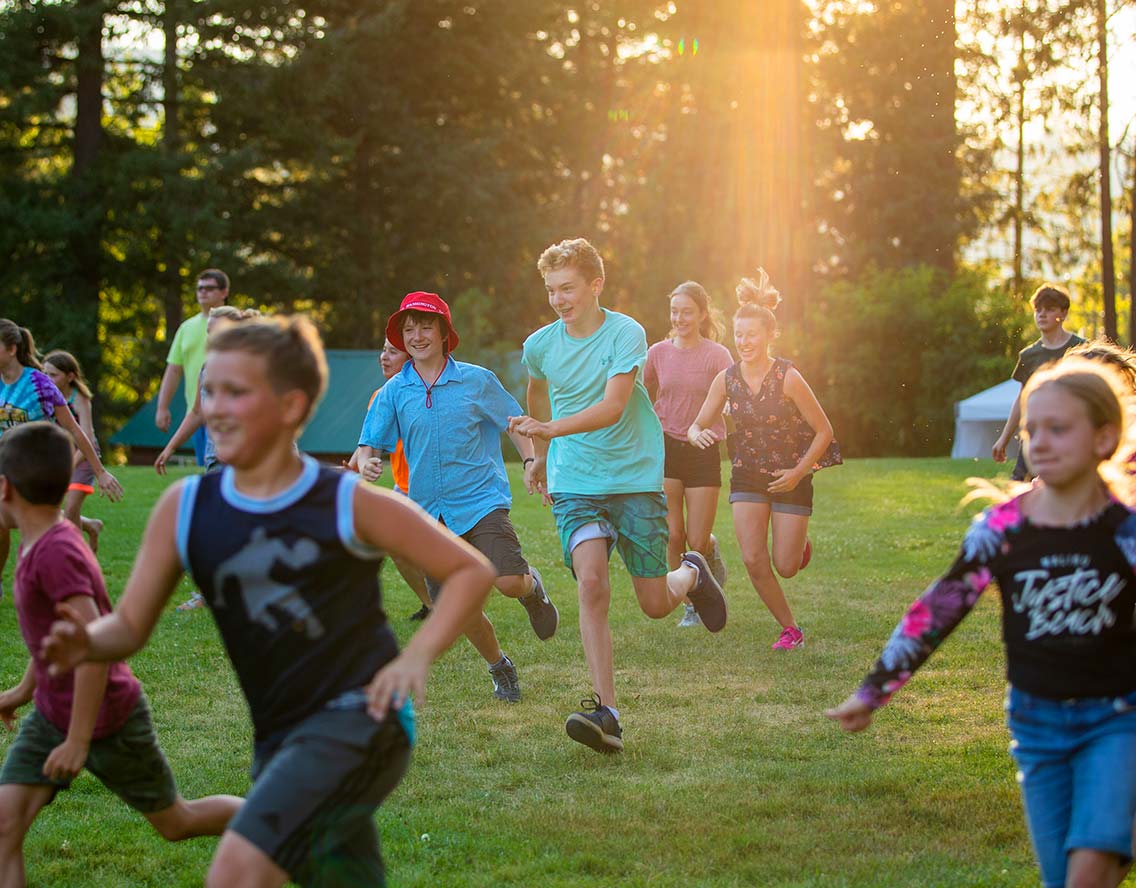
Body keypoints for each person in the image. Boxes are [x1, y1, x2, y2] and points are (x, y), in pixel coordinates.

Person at [42, 315, 498, 888]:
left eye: (238, 392)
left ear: (291, 406)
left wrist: (416, 657)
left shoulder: (343, 500)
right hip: (279, 737)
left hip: (362, 719)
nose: (217, 408)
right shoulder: (184, 508)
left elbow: (469, 571)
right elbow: (130, 626)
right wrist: (86, 641)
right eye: (210, 390)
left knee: (237, 872)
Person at [827, 357, 1136, 888]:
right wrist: (875, 688)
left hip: (1118, 721)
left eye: (1058, 429)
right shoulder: (1001, 530)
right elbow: (940, 608)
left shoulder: (1125, 533)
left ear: (1104, 438)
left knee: (1089, 872)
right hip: (1036, 728)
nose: (1038, 441)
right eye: (1031, 429)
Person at [0, 422, 243, 888]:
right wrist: (21, 692)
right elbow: (54, 637)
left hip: (106, 718)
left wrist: (77, 739)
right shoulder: (37, 540)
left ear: (6, 488)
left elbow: (90, 646)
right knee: (7, 827)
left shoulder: (55, 552)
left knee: (176, 821)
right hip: (53, 714)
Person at [510, 237, 727, 754]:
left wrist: (549, 428)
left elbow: (612, 406)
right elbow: (536, 393)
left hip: (633, 478)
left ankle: (692, 572)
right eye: (551, 290)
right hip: (575, 484)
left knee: (653, 603)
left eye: (568, 288)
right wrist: (539, 455)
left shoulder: (626, 333)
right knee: (591, 584)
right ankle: (607, 712)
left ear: (595, 284)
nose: (559, 300)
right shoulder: (540, 345)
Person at [354, 293, 559, 704]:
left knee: (507, 582)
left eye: (425, 326)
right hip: (429, 513)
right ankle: (500, 667)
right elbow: (368, 444)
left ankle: (531, 587)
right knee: (457, 606)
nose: (416, 336)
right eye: (408, 329)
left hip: (481, 500)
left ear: (445, 333)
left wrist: (532, 462)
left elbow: (515, 423)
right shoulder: (395, 390)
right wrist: (367, 463)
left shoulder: (476, 380)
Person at [687, 269, 841, 651]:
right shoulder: (727, 379)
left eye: (751, 335)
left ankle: (798, 546)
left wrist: (797, 473)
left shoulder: (788, 376)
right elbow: (696, 424)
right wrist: (697, 434)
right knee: (754, 559)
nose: (744, 342)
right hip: (747, 475)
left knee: (785, 566)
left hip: (792, 473)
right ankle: (790, 629)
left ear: (769, 335)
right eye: (739, 335)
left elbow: (824, 431)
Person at [0, 320, 123, 601]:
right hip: (6, 465)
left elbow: (75, 429)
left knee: (41, 530)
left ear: (11, 349)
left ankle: (74, 582)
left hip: (39, 467)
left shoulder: (38, 383)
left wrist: (100, 471)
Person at [155, 306, 260, 612]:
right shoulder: (207, 369)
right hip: (216, 461)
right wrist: (171, 446)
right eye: (209, 330)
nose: (210, 335)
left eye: (217, 329)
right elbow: (198, 412)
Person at [644, 281, 733, 627]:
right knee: (673, 533)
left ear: (702, 314)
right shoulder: (658, 353)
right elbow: (644, 390)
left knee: (697, 538)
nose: (680, 318)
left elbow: (730, 398)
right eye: (675, 312)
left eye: (687, 312)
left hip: (703, 450)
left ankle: (709, 553)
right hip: (665, 446)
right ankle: (690, 603)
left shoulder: (717, 355)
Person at [347, 338, 432, 623]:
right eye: (383, 350)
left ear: (411, 358)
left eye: (392, 352)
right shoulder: (381, 396)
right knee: (396, 547)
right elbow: (366, 446)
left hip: (444, 489)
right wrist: (359, 465)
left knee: (487, 562)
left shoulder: (431, 392)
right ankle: (434, 606)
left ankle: (525, 582)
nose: (383, 357)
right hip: (406, 490)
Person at [993, 283, 1085, 481]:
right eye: (1038, 310)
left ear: (1064, 313)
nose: (1042, 315)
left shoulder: (1081, 350)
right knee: (1018, 488)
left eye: (1049, 309)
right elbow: (1022, 398)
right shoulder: (1029, 355)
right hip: (1036, 433)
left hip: (1071, 435)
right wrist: (1004, 438)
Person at [155, 269, 230, 466]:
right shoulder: (186, 328)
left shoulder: (233, 321)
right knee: (209, 465)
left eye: (209, 288)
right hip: (197, 411)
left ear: (224, 292)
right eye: (199, 288)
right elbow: (173, 370)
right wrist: (162, 407)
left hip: (229, 413)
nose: (202, 292)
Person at [42, 350, 106, 553]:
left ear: (70, 377)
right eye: (45, 374)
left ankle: (77, 559)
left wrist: (69, 465)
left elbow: (86, 437)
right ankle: (90, 525)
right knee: (45, 509)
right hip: (62, 457)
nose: (48, 379)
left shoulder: (80, 399)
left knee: (70, 508)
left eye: (54, 375)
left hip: (85, 457)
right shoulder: (46, 397)